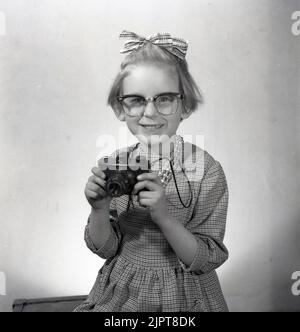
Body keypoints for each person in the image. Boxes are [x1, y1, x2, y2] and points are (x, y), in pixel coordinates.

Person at [74, 30, 229, 312]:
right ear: (120, 109)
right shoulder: (117, 164)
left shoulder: (206, 171)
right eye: (136, 100)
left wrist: (164, 217)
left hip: (185, 294)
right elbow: (106, 249)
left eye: (164, 99)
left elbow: (207, 259)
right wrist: (98, 210)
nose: (150, 112)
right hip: (125, 291)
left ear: (186, 105)